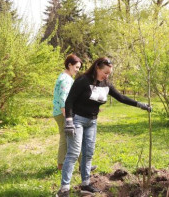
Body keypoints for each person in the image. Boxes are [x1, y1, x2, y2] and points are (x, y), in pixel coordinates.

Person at [56, 57, 151, 197]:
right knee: (74, 153)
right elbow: (69, 101)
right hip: (77, 120)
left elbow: (121, 97)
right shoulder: (83, 80)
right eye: (105, 72)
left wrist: (140, 105)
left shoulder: (105, 84)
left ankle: (85, 185)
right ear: (97, 68)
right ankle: (64, 189)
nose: (106, 76)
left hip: (92, 122)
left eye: (108, 74)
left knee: (88, 153)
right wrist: (69, 121)